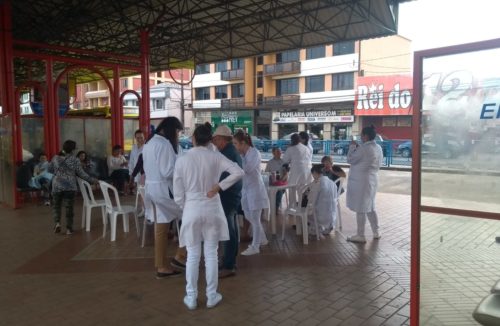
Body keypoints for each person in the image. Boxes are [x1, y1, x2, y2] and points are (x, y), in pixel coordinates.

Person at [173, 123, 244, 310]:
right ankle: (211, 296)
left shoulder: (182, 160)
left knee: (193, 256)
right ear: (209, 140)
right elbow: (239, 171)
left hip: (192, 209)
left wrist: (185, 206)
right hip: (213, 208)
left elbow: (178, 193)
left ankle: (191, 297)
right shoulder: (215, 156)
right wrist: (219, 187)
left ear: (194, 139)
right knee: (211, 254)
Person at [142, 117, 186, 278]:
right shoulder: (165, 144)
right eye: (177, 131)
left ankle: (161, 266)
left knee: (161, 228)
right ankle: (180, 256)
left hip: (151, 190)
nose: (178, 135)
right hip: (164, 190)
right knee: (189, 216)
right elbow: (167, 172)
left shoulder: (149, 142)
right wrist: (182, 171)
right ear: (170, 129)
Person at [211, 124, 243, 278]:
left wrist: (215, 187)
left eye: (216, 140)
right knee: (232, 228)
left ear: (222, 139)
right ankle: (230, 260)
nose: (215, 144)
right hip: (232, 194)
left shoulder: (227, 153)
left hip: (228, 195)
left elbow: (226, 177)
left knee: (228, 230)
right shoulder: (230, 151)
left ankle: (229, 264)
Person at [48, 140, 97, 234]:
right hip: (70, 186)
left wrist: (59, 173)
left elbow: (49, 169)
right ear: (73, 149)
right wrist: (92, 180)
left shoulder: (56, 158)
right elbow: (82, 174)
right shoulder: (75, 160)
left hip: (57, 186)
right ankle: (69, 229)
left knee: (56, 206)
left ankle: (57, 223)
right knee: (69, 208)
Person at [233, 130, 270, 256]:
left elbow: (246, 170)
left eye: (236, 144)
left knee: (254, 218)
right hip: (246, 189)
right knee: (249, 216)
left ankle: (255, 246)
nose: (235, 147)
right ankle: (263, 239)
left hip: (255, 190)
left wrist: (235, 164)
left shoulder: (254, 153)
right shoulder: (243, 155)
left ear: (243, 143)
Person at [346, 125, 383, 243]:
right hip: (372, 179)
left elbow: (350, 160)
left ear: (365, 136)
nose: (360, 138)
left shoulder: (363, 148)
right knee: (370, 206)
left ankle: (360, 235)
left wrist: (352, 147)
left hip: (361, 181)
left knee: (361, 208)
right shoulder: (378, 147)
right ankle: (376, 232)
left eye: (361, 135)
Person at [282, 133, 312, 207]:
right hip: (307, 173)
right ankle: (302, 207)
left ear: (292, 140)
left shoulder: (291, 148)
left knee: (292, 188)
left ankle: (292, 206)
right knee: (302, 190)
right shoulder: (306, 148)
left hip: (296, 172)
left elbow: (285, 160)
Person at [308, 164, 338, 235]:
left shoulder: (318, 183)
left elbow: (312, 200)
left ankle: (316, 228)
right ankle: (328, 226)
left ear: (315, 172)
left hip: (320, 216)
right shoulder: (332, 183)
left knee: (305, 211)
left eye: (313, 175)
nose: (313, 177)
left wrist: (307, 194)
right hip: (332, 216)